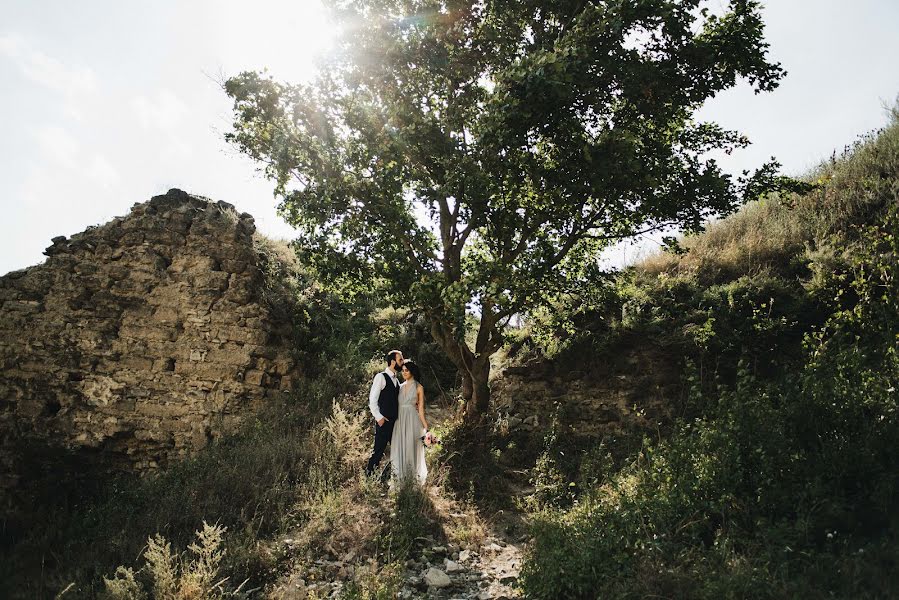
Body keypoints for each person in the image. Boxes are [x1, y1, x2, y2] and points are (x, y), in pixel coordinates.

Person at [365, 350, 404, 480]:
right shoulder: (381, 377)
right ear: (393, 362)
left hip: (395, 423)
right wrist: (379, 418)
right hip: (384, 422)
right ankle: (368, 478)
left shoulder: (397, 381)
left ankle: (384, 478)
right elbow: (372, 400)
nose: (402, 362)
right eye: (400, 360)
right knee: (378, 452)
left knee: (397, 452)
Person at [390, 360, 429, 485]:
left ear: (412, 371)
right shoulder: (399, 387)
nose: (404, 373)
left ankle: (412, 480)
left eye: (406, 370)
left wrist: (425, 426)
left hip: (413, 420)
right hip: (400, 420)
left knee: (411, 447)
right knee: (400, 446)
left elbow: (421, 409)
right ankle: (400, 480)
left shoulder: (419, 387)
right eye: (403, 371)